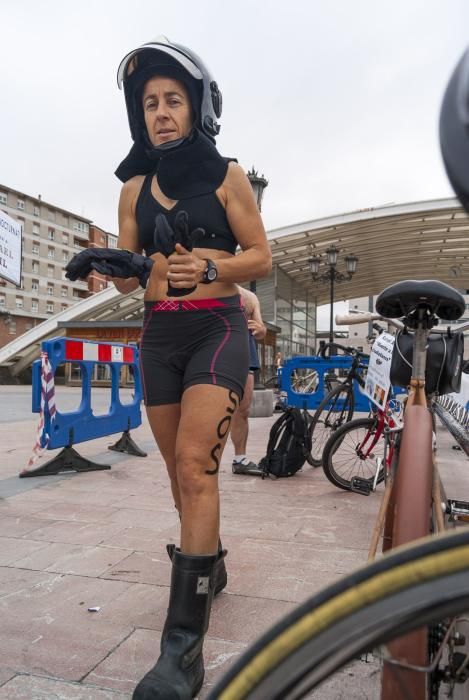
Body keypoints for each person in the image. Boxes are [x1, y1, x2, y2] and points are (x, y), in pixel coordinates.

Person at [112, 36, 271, 700]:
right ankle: (210, 565)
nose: (160, 112)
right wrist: (104, 267)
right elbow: (129, 272)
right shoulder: (131, 189)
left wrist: (211, 266)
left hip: (215, 329)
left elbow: (259, 256)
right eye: (149, 102)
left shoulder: (228, 176)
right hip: (158, 336)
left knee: (191, 468)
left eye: (173, 99)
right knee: (181, 482)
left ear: (197, 106)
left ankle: (182, 653)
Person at [231, 285, 266, 474]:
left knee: (242, 409)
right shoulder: (209, 285)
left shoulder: (250, 297)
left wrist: (260, 329)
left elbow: (261, 332)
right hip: (217, 348)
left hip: (245, 352)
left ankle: (240, 459)